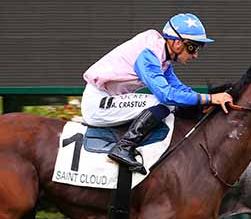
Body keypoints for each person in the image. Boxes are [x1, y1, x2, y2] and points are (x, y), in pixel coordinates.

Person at [81, 13, 233, 175]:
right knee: (162, 102)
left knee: (170, 104)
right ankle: (124, 147)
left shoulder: (162, 58)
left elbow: (178, 88)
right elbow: (166, 95)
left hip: (111, 100)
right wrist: (210, 98)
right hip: (98, 104)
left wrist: (205, 102)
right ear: (177, 43)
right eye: (193, 47)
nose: (195, 55)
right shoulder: (148, 55)